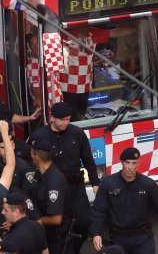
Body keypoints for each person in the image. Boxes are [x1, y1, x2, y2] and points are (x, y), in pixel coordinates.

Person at [28, 102, 99, 254]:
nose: (65, 123)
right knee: (56, 226)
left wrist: (95, 182)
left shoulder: (77, 133)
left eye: (68, 119)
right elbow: (32, 163)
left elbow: (88, 159)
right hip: (52, 188)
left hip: (75, 186)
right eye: (62, 119)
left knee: (85, 222)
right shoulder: (39, 136)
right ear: (52, 118)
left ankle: (75, 247)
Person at [91, 148, 158, 254]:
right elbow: (99, 210)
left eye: (134, 163)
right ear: (121, 163)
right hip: (118, 238)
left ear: (138, 163)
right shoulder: (108, 184)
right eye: (127, 162)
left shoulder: (148, 184)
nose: (129, 167)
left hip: (143, 238)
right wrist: (96, 233)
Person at [23, 138, 74, 254]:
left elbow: (56, 219)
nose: (31, 157)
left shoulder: (54, 181)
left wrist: (35, 221)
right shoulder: (39, 174)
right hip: (44, 234)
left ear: (36, 157)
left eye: (31, 154)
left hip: (55, 238)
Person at [0, 190, 48, 254]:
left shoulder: (12, 239)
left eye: (5, 210)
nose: (2, 212)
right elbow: (45, 251)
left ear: (16, 212)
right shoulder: (38, 226)